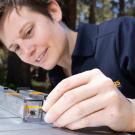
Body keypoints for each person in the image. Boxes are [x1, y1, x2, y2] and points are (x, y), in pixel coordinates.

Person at [0, 0, 135, 132]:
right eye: (17, 48)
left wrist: (130, 115)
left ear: (53, 11)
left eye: (29, 32)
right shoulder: (56, 74)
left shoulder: (124, 35)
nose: (27, 52)